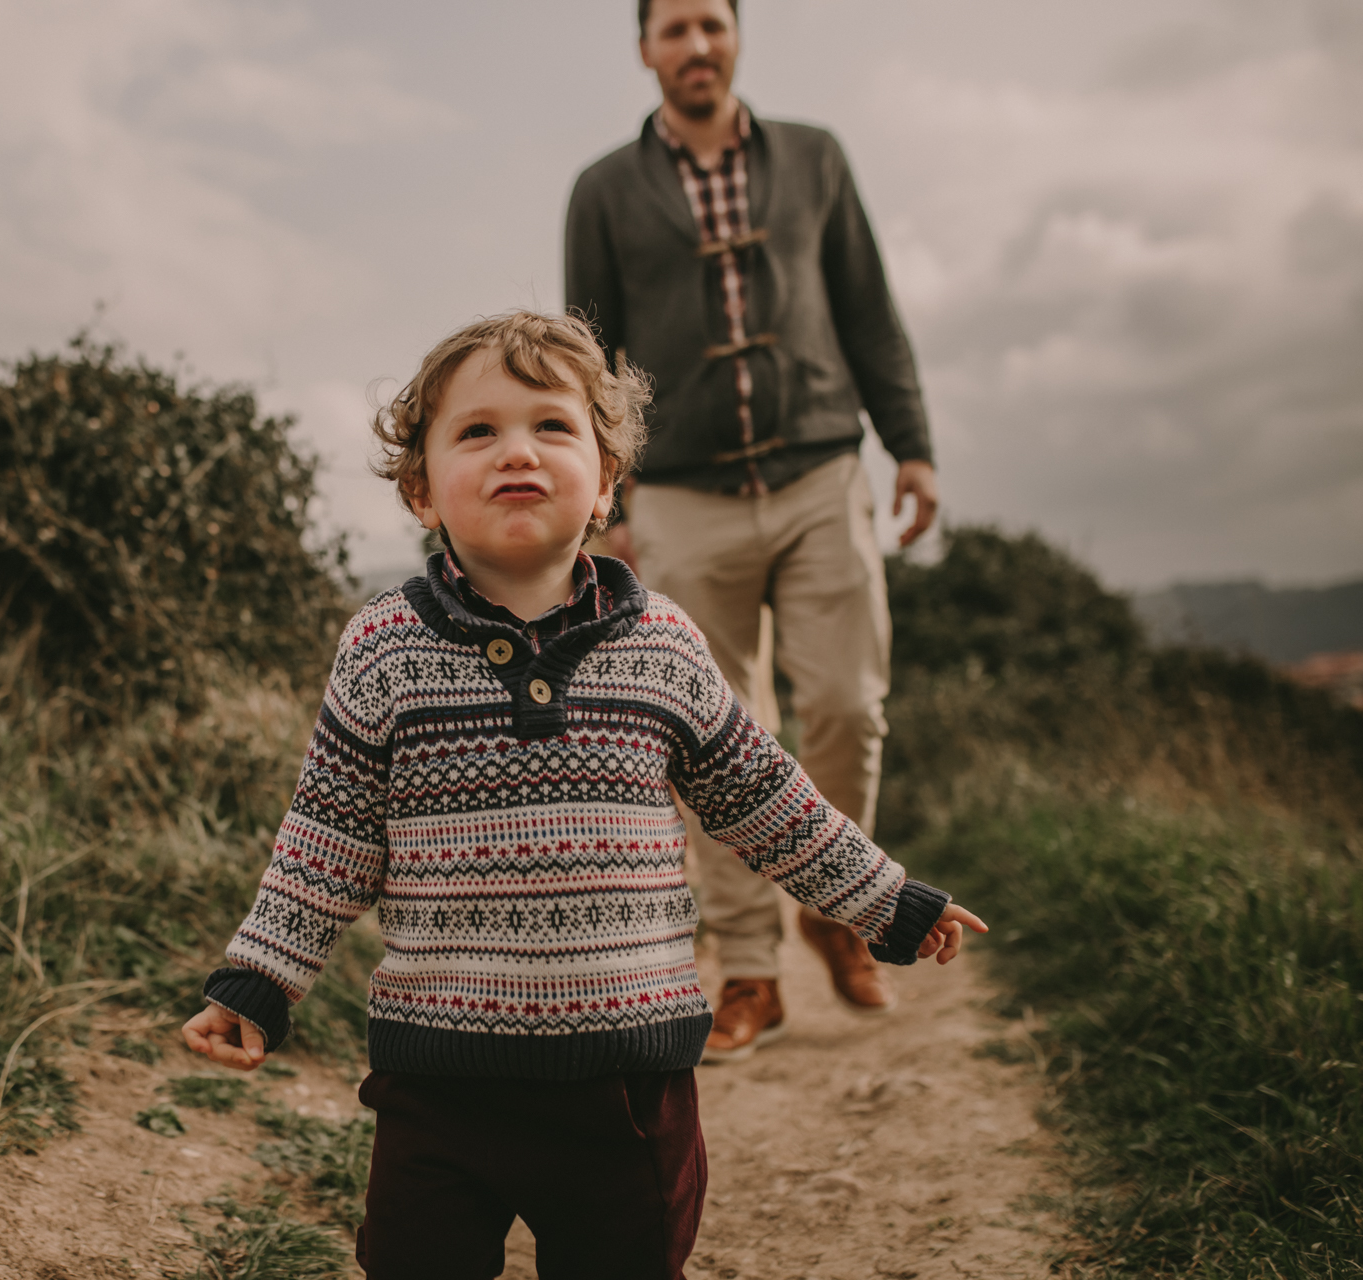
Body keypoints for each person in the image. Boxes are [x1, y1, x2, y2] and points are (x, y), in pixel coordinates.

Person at [181, 311, 984, 1279]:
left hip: (630, 1081)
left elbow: (768, 799)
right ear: (421, 488)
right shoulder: (384, 648)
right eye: (477, 430)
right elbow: (330, 834)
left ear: (607, 481)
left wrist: (883, 900)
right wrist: (260, 979)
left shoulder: (663, 646)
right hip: (437, 1081)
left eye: (552, 427)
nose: (517, 449)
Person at [565, 0, 942, 1061]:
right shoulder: (602, 190)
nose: (698, 45)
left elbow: (868, 307)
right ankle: (748, 967)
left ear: (737, 37)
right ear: (644, 48)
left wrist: (910, 443)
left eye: (713, 24)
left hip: (822, 467)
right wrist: (610, 498)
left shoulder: (816, 160)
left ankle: (837, 901)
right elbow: (591, 355)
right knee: (708, 739)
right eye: (675, 28)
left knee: (846, 703)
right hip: (681, 491)